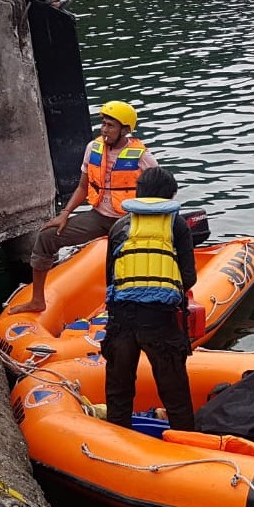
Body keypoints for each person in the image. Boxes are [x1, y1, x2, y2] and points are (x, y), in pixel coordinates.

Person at [9, 100, 158, 314]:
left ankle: (135, 304)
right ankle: (37, 301)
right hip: (98, 217)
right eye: (104, 124)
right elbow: (82, 187)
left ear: (125, 130)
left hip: (127, 220)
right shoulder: (93, 148)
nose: (105, 130)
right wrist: (64, 214)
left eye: (111, 125)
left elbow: (162, 187)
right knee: (47, 237)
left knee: (126, 258)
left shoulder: (142, 156)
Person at [101, 167, 197, 431]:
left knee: (119, 395)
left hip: (121, 320)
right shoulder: (177, 225)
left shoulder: (119, 226)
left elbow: (112, 279)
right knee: (175, 397)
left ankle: (116, 446)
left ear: (138, 193)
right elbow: (188, 277)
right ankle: (187, 447)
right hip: (159, 321)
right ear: (170, 197)